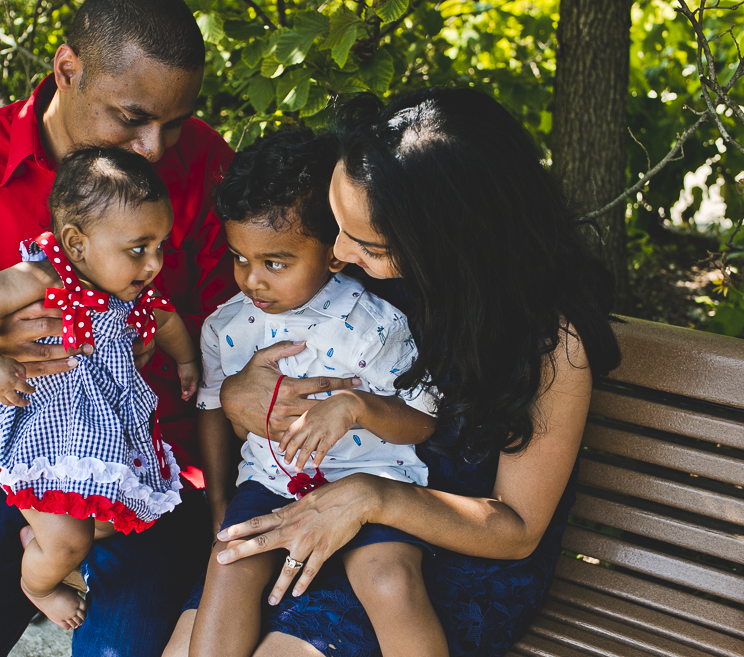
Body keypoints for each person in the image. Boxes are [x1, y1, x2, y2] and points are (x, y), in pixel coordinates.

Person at [166, 88, 621, 657]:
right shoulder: (362, 261)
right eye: (335, 224)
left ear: (446, 242)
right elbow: (271, 378)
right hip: (314, 504)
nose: (338, 253)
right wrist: (236, 397)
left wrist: (371, 498)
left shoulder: (550, 342)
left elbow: (517, 528)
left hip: (447, 557)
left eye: (366, 245)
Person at [0, 0, 246, 655]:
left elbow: (233, 330)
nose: (154, 147)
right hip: (20, 474)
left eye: (173, 122)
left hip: (156, 475)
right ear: (67, 68)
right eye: (132, 118)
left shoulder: (201, 161)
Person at [178, 129, 448, 657]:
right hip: (270, 483)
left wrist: (355, 408)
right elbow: (211, 407)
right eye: (239, 258)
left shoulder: (373, 326)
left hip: (372, 484)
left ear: (333, 254)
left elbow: (422, 420)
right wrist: (218, 501)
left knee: (389, 582)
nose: (252, 280)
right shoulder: (226, 327)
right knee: (227, 565)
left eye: (275, 263)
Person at [0, 148, 200, 630]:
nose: (153, 264)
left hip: (99, 439)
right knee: (72, 541)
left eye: (160, 246)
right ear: (76, 243)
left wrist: (187, 359)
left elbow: (166, 321)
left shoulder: (136, 293)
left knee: (109, 521)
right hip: (41, 431)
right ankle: (38, 584)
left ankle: (35, 541)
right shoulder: (46, 277)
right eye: (138, 249)